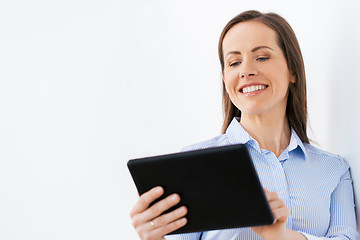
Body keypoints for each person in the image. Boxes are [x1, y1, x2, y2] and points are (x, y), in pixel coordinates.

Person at [129, 10, 358, 240]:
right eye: (234, 62)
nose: (246, 70)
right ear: (225, 78)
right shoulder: (195, 164)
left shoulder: (333, 171)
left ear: (293, 71)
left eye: (262, 57)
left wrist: (281, 236)